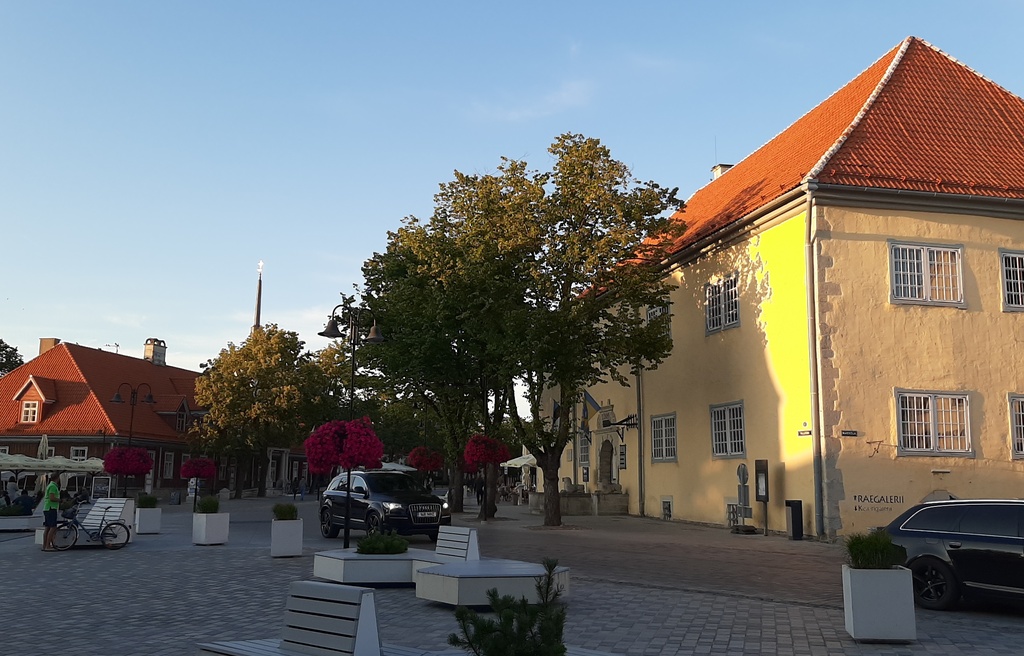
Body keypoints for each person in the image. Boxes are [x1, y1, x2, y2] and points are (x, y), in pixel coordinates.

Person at [42, 473, 61, 552]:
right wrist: (60, 500)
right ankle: (47, 546)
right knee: (53, 527)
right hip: (51, 508)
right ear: (57, 478)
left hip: (47, 508)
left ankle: (44, 545)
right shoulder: (53, 486)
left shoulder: (50, 485)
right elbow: (52, 498)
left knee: (47, 527)